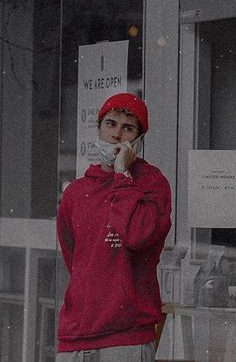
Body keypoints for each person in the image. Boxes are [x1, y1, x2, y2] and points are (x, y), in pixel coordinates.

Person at [56, 92, 172, 362]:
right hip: (75, 334)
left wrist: (123, 175)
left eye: (128, 128)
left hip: (126, 336)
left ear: (139, 140)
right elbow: (75, 258)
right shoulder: (76, 192)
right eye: (110, 124)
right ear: (99, 128)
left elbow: (136, 236)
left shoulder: (152, 183)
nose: (117, 135)